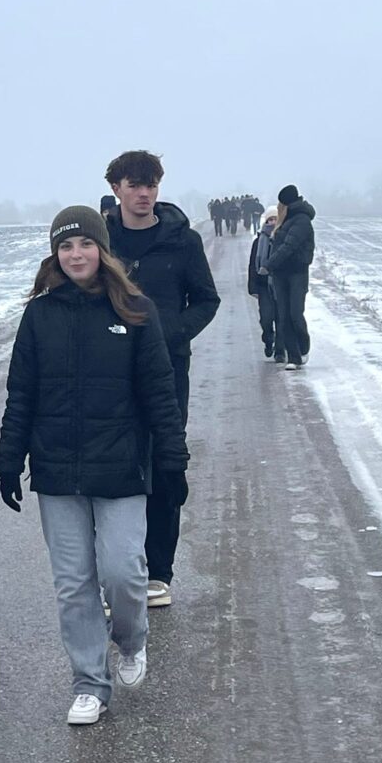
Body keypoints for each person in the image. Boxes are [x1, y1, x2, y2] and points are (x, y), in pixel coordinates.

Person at [0, 206, 188, 726]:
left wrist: (172, 460)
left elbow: (159, 393)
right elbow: (21, 393)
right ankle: (89, 683)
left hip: (122, 467)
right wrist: (9, 458)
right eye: (65, 246)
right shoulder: (39, 315)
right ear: (55, 254)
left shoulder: (136, 311)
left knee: (123, 572)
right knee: (73, 581)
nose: (75, 255)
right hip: (57, 471)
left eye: (84, 245)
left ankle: (131, 641)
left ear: (102, 251)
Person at [104, 150, 219, 607]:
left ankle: (158, 571)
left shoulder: (182, 240)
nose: (144, 193)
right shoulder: (102, 241)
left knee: (165, 463)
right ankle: (119, 572)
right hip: (109, 372)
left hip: (169, 370)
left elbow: (206, 300)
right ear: (116, 188)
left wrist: (170, 333)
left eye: (151, 184)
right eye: (134, 184)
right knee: (115, 468)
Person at [267, 184, 316, 370]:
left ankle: (303, 346)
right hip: (281, 274)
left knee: (295, 313)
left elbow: (289, 246)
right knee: (284, 316)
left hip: (297, 273)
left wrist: (269, 264)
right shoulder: (285, 220)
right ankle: (294, 358)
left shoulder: (301, 220)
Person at [248, 206, 285, 362]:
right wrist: (253, 287)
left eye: (275, 219)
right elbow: (252, 265)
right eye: (270, 219)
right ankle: (268, 340)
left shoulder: (283, 239)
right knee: (266, 318)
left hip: (281, 285)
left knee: (281, 319)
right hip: (263, 286)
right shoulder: (259, 241)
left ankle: (280, 351)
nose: (272, 222)